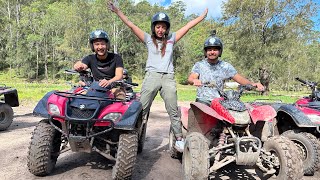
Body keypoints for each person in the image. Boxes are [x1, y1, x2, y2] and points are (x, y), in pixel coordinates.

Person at [108, 1, 208, 152]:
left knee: (173, 110)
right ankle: (133, 137)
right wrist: (117, 11)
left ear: (167, 28)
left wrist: (201, 17)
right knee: (141, 109)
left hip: (168, 77)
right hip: (152, 76)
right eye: (158, 27)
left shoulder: (171, 39)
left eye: (163, 27)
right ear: (154, 28)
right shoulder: (148, 39)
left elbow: (188, 26)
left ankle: (179, 139)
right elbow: (131, 25)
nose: (161, 30)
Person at [188, 32, 264, 105]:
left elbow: (239, 79)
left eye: (215, 50)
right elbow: (191, 78)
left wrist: (253, 85)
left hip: (219, 100)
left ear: (220, 51)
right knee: (201, 111)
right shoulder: (200, 65)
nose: (212, 52)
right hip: (203, 100)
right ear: (205, 52)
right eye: (209, 50)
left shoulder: (225, 66)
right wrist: (195, 80)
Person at [74, 29, 125, 99]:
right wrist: (78, 65)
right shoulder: (90, 58)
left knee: (120, 96)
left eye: (102, 44)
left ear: (107, 45)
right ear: (93, 46)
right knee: (78, 97)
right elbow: (82, 66)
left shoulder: (116, 58)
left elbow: (119, 76)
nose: (100, 47)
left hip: (113, 87)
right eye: (97, 44)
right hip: (96, 88)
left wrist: (109, 82)